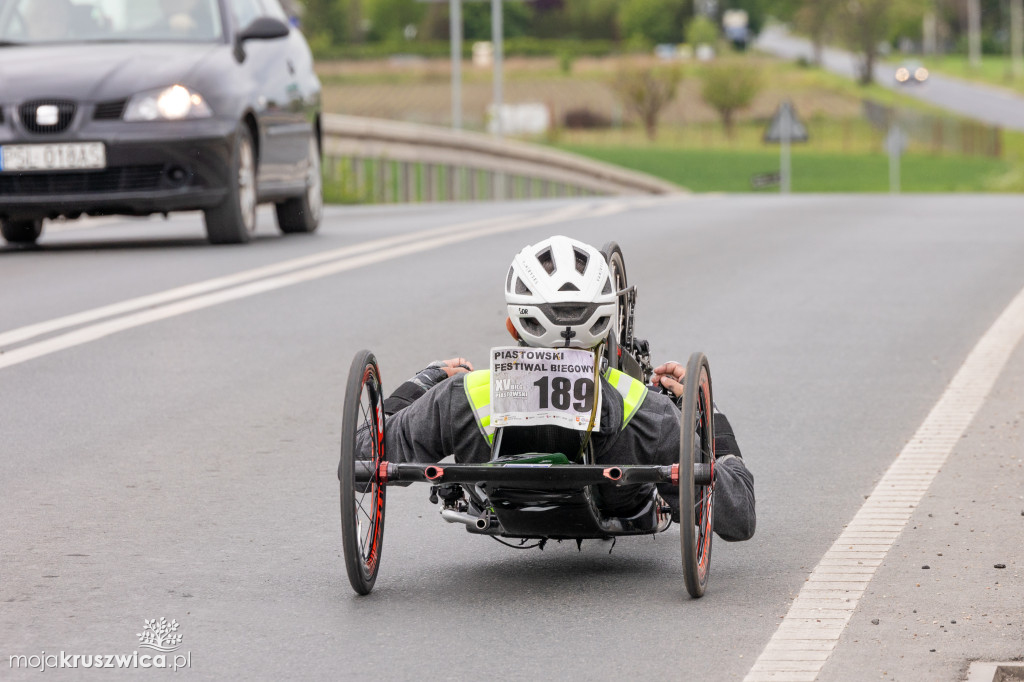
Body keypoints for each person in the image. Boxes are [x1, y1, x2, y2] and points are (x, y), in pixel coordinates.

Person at [362, 235, 755, 542]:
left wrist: (424, 380)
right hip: (625, 474)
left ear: (514, 325)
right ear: (604, 325)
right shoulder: (648, 412)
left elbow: (363, 460)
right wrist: (705, 415)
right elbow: (739, 515)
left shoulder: (461, 398)